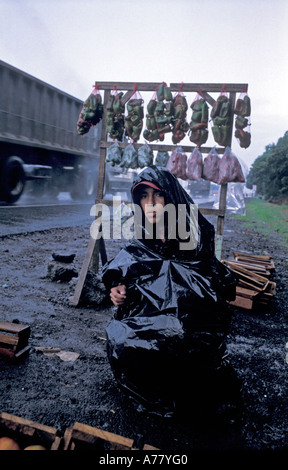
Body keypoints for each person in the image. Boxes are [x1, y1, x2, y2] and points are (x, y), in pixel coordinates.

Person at [102, 165, 240, 416]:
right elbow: (127, 270)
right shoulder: (143, 239)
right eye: (143, 196)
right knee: (123, 337)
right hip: (155, 317)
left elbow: (214, 285)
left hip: (191, 321)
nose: (151, 203)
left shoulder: (195, 238)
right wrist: (119, 291)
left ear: (171, 197)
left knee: (180, 342)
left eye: (158, 195)